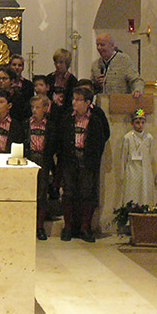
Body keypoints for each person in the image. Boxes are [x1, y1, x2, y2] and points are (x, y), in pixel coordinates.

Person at [46, 87, 109, 243]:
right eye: (73, 99)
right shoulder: (67, 118)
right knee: (68, 193)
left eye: (78, 99)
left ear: (88, 102)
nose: (74, 102)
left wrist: (92, 160)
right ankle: (68, 227)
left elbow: (99, 143)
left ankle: (84, 228)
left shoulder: (95, 120)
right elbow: (61, 140)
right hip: (69, 160)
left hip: (87, 161)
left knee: (87, 194)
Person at [25, 95, 56, 241]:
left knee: (41, 194)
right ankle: (28, 225)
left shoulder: (50, 126)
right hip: (29, 159)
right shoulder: (26, 124)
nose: (34, 110)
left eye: (38, 107)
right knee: (28, 193)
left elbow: (53, 146)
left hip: (44, 160)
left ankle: (40, 226)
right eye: (32, 107)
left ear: (45, 108)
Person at [120, 109, 157, 207]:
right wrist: (122, 173)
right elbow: (124, 156)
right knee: (132, 192)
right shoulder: (128, 137)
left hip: (145, 169)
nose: (140, 125)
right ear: (132, 123)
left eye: (142, 122)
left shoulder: (149, 138)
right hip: (132, 169)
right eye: (137, 122)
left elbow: (151, 155)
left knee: (144, 193)